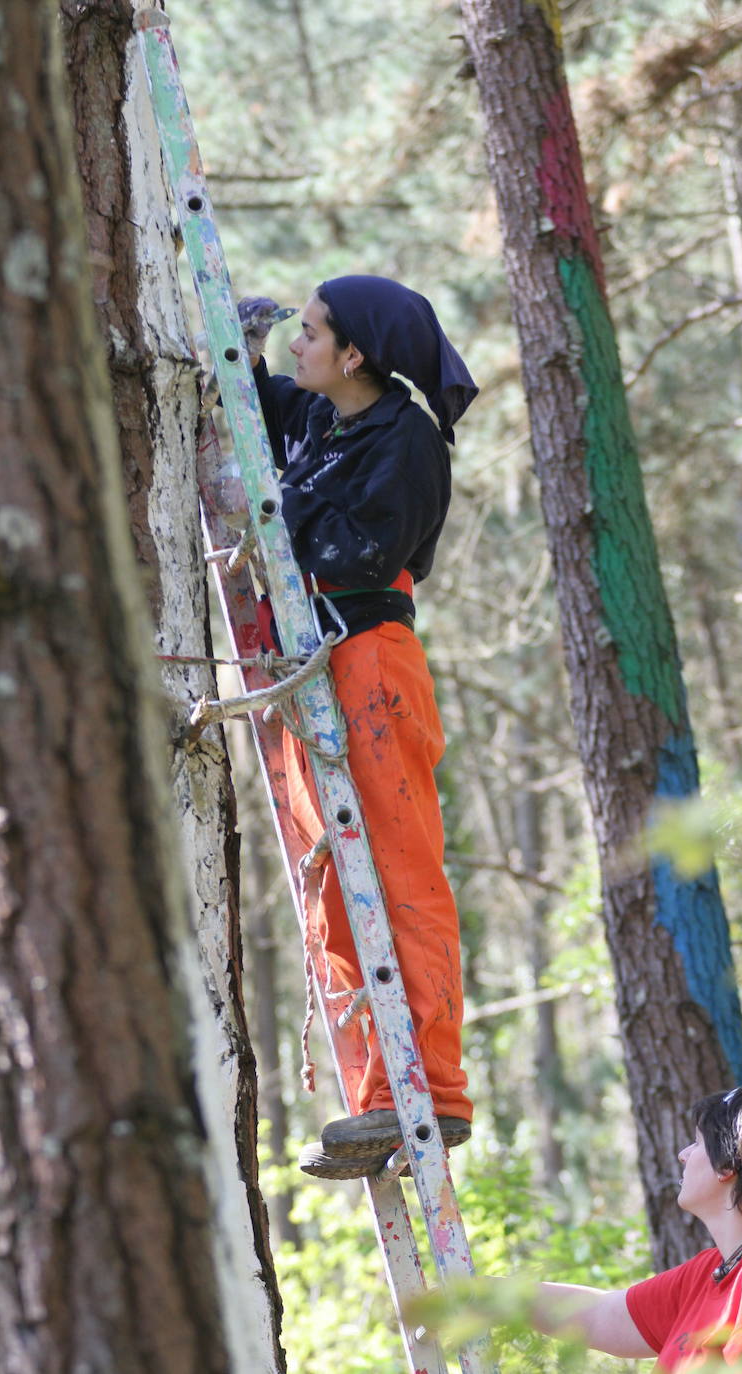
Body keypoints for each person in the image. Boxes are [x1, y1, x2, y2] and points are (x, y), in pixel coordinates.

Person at [246, 275, 478, 1179]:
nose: (298, 345)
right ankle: (377, 1096)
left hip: (373, 664)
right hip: (312, 665)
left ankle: (437, 1093)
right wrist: (250, 351)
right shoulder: (321, 417)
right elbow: (259, 418)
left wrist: (273, 505)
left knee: (400, 870)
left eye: (308, 334)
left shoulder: (406, 438)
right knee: (330, 884)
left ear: (355, 356)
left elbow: (358, 549)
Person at [516, 1087, 742, 1372]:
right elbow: (603, 1316)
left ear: (728, 1165)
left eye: (697, 1143)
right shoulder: (711, 1272)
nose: (683, 1155)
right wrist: (484, 1294)